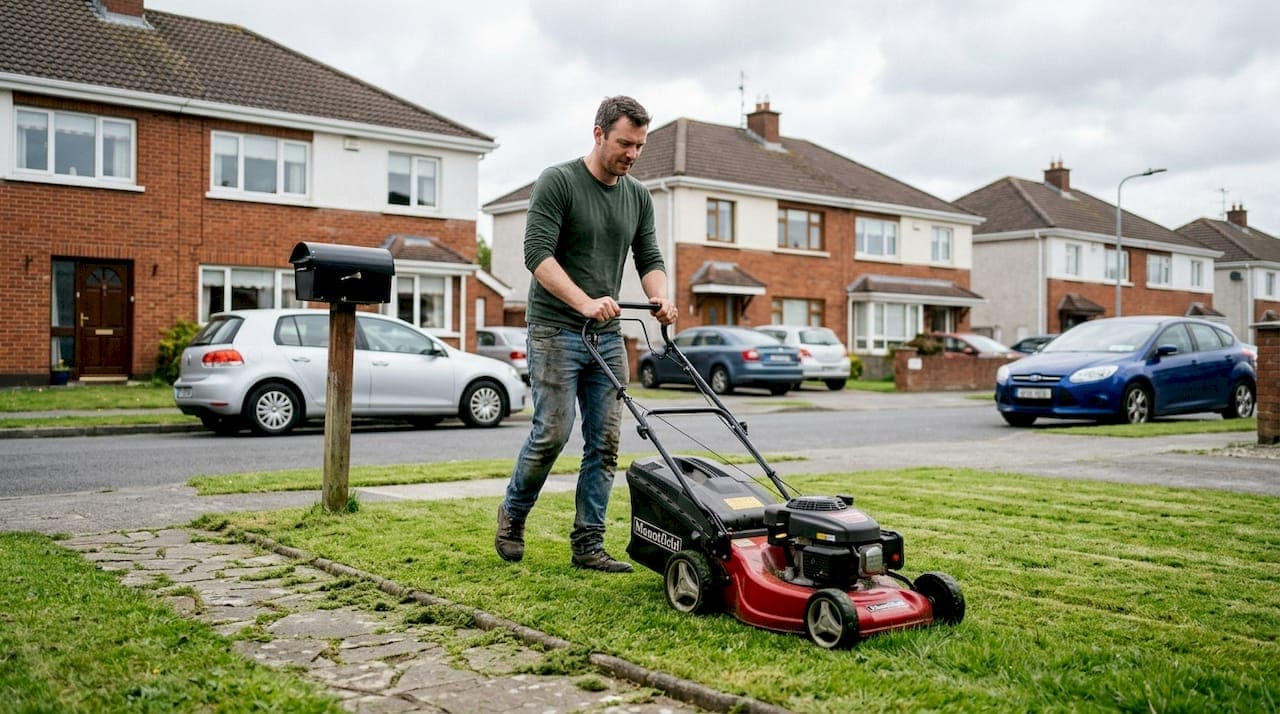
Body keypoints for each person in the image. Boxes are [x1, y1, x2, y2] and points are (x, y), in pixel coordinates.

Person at [495, 95, 677, 572]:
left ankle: (588, 544)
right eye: (624, 143)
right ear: (598, 134)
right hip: (555, 329)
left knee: (605, 442)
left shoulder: (637, 196)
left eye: (639, 146)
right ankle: (513, 514)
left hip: (608, 337)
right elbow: (536, 255)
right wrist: (584, 302)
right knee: (552, 432)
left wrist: (660, 297)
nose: (632, 154)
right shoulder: (558, 181)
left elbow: (649, 257)